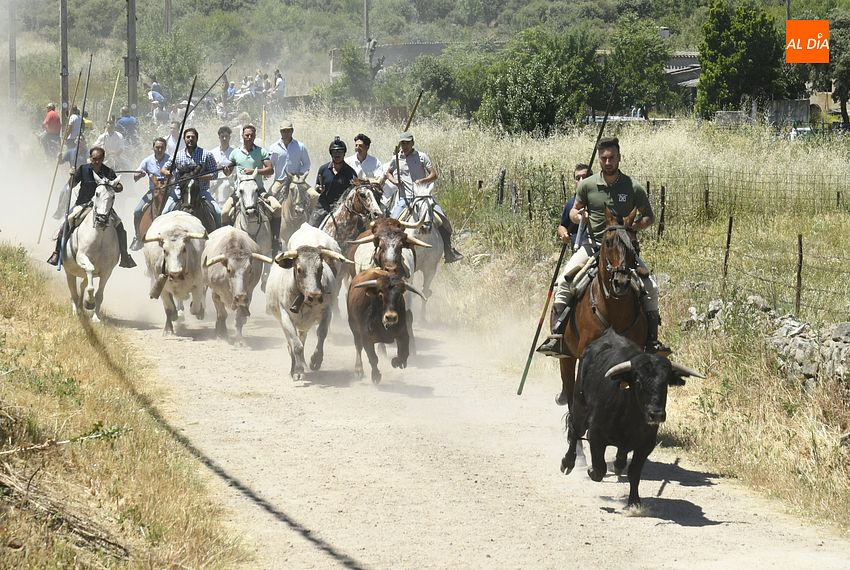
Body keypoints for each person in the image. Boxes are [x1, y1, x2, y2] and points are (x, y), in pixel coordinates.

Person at [536, 137, 669, 357]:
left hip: (623, 249)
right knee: (563, 283)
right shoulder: (587, 185)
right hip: (592, 245)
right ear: (599, 159)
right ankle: (557, 336)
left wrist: (634, 227)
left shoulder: (633, 187)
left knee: (650, 287)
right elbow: (574, 211)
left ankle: (652, 340)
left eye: (612, 157)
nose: (608, 162)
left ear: (619, 157)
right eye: (604, 158)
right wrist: (579, 217)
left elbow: (649, 217)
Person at [47, 146, 136, 268]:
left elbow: (119, 187)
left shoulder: (108, 172)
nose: (96, 161)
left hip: (103, 208)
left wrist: (114, 185)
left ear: (103, 159)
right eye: (94, 159)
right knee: (66, 224)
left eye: (99, 159)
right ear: (90, 158)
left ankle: (125, 256)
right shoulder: (83, 169)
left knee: (120, 227)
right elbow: (71, 185)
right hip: (83, 204)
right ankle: (57, 253)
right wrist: (72, 175)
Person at [382, 131, 463, 264]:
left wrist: (423, 180)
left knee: (443, 221)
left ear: (412, 143)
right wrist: (395, 182)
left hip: (424, 197)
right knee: (390, 226)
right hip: (405, 199)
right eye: (403, 143)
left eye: (407, 143)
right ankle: (388, 255)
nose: (405, 146)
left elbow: (434, 174)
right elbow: (388, 173)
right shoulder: (396, 158)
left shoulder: (421, 156)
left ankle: (449, 251)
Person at [222, 124, 280, 251]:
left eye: (251, 135)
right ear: (242, 136)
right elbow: (229, 171)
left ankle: (275, 241)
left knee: (277, 207)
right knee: (224, 212)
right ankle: (226, 244)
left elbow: (270, 169)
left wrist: (255, 171)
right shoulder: (235, 153)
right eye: (246, 135)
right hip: (240, 191)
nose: (249, 137)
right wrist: (226, 170)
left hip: (258, 190)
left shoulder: (261, 151)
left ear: (254, 136)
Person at [161, 127, 221, 226]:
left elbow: (214, 174)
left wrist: (199, 177)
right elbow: (164, 169)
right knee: (164, 213)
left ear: (197, 138)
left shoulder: (207, 154)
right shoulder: (177, 155)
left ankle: (218, 231)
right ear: (184, 139)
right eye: (188, 137)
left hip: (201, 191)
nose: (190, 139)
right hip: (179, 192)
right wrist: (167, 173)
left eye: (193, 137)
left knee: (218, 212)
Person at [130, 137, 173, 250]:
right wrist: (139, 175)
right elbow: (135, 175)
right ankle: (137, 236)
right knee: (137, 211)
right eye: (157, 147)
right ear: (153, 148)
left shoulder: (170, 160)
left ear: (165, 148)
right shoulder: (147, 161)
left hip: (168, 192)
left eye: (162, 147)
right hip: (153, 191)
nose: (159, 150)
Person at [310, 137, 357, 227]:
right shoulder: (323, 169)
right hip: (323, 207)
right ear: (331, 153)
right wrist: (319, 189)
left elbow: (354, 193)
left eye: (340, 152)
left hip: (342, 209)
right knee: (311, 227)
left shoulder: (351, 172)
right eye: (334, 152)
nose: (337, 154)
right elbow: (317, 186)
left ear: (344, 154)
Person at [268, 120, 311, 202]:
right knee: (269, 198)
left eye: (288, 130)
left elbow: (307, 164)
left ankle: (314, 211)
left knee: (314, 196)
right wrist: (266, 173)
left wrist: (300, 175)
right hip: (280, 181)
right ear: (280, 132)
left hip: (297, 181)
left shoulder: (300, 146)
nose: (286, 133)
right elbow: (270, 165)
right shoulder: (273, 147)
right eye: (283, 131)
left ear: (292, 131)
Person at [558, 163, 591, 248]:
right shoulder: (571, 203)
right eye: (578, 178)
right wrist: (564, 234)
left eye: (585, 177)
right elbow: (562, 226)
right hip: (578, 248)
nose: (581, 181)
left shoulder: (599, 200)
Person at [210, 125, 235, 203]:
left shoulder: (235, 152)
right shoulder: (212, 153)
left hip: (230, 183)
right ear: (219, 138)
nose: (224, 138)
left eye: (226, 136)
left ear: (229, 137)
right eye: (222, 136)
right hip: (214, 184)